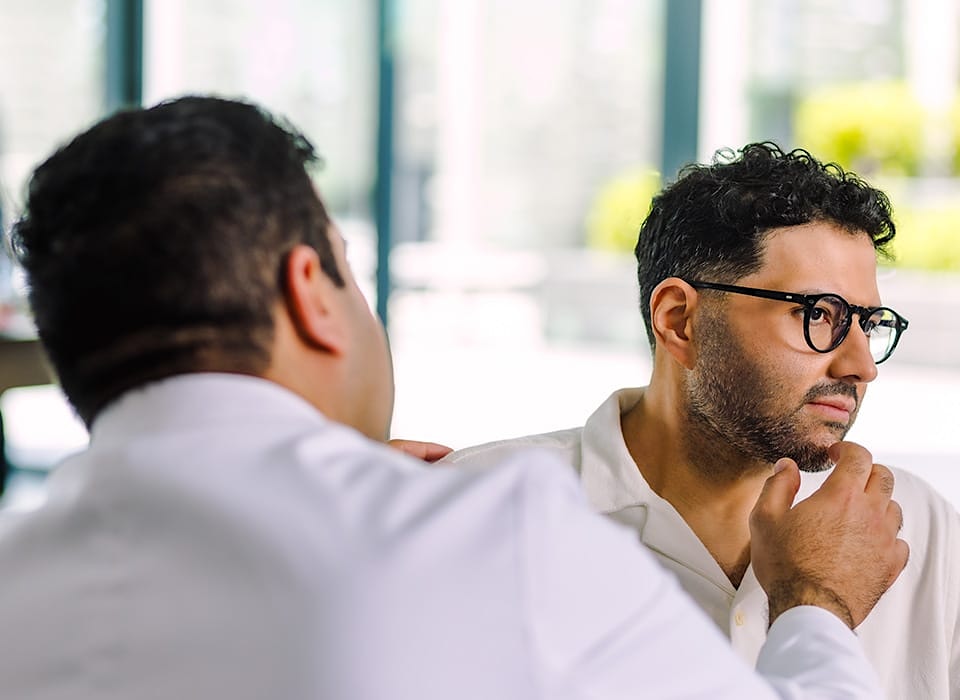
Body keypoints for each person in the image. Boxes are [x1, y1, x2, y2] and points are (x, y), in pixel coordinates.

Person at [0, 99, 905, 700]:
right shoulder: (492, 533)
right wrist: (816, 600)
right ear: (311, 291)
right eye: (353, 277)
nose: (859, 362)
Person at [447, 142, 960, 698]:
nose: (861, 366)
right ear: (679, 321)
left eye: (868, 323)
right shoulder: (473, 515)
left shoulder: (917, 526)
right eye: (817, 315)